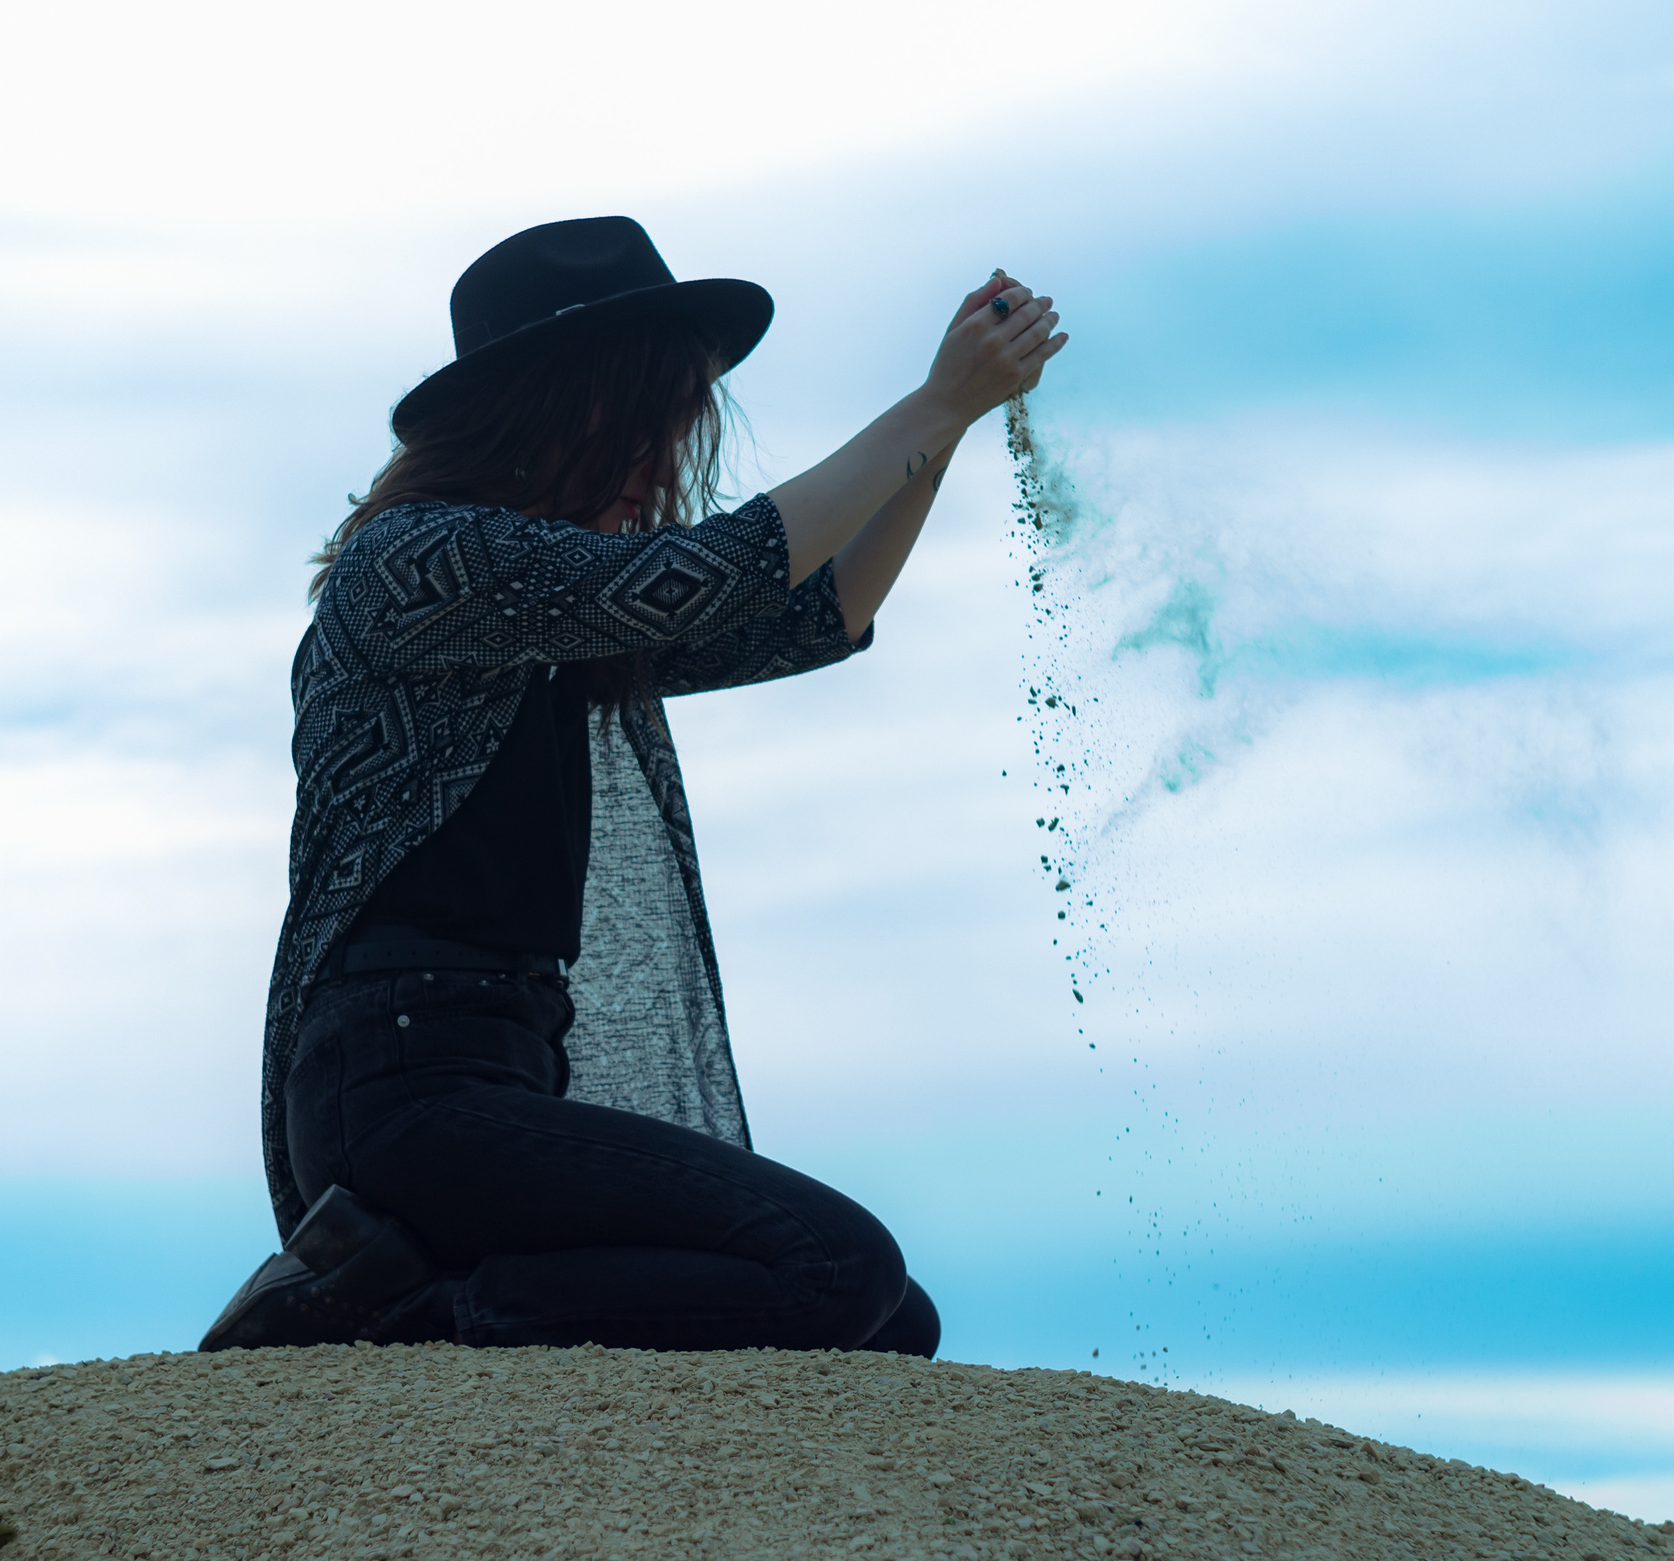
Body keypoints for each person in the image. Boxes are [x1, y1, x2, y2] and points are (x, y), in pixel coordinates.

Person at [201, 215, 1066, 1356]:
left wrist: (945, 423)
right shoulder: (417, 560)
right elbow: (711, 574)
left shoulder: (547, 613)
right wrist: (934, 405)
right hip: (403, 1086)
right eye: (645, 422)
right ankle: (390, 1315)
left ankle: (411, 1290)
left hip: (504, 1070)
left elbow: (818, 615)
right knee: (832, 1265)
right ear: (555, 409)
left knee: (887, 1319)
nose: (664, 464)